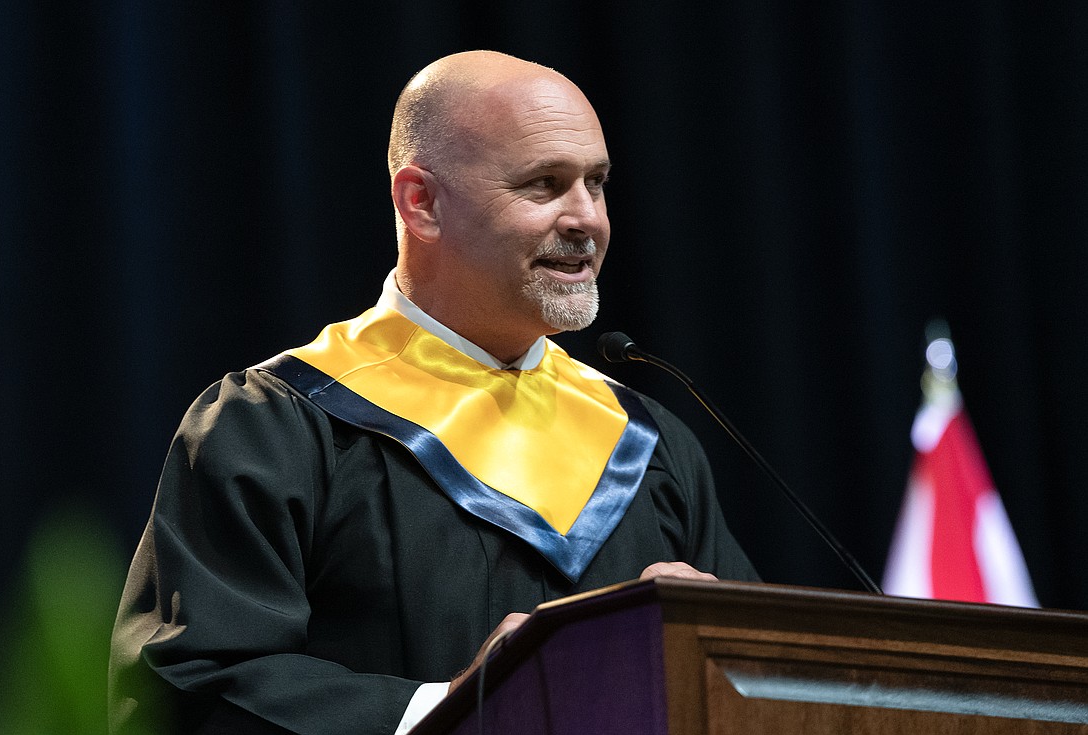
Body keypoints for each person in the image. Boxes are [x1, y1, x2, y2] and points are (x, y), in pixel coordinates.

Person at [108, 50, 758, 735]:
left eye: (595, 183)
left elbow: (770, 687)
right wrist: (446, 707)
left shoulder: (647, 444)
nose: (586, 218)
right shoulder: (276, 426)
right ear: (421, 202)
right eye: (544, 184)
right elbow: (193, 688)